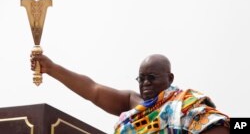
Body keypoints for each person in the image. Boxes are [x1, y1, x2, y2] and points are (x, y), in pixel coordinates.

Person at [31, 54, 230, 134]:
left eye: (151, 77)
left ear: (170, 78)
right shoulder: (133, 102)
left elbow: (218, 124)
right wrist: (52, 68)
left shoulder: (185, 103)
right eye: (141, 78)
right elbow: (93, 90)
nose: (145, 83)